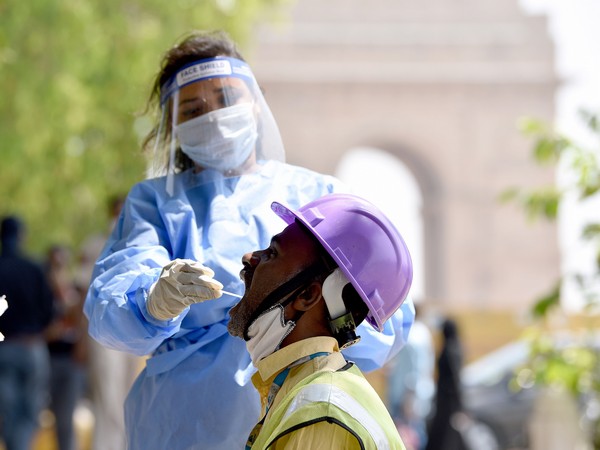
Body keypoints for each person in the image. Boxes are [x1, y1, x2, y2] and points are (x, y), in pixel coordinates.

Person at [84, 30, 415, 450]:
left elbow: (383, 315)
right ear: (174, 124)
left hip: (297, 409)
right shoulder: (155, 203)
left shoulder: (317, 196)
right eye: (193, 108)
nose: (213, 115)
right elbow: (110, 308)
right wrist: (153, 301)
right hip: (184, 426)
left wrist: (316, 320)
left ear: (256, 102)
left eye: (225, 98)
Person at [227, 193, 412, 449]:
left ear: (307, 295)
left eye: (272, 253)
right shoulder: (304, 389)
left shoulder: (320, 413)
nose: (250, 257)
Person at [76, 195, 142, 450]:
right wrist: (82, 339)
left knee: (128, 398)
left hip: (133, 332)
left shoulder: (141, 243)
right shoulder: (94, 245)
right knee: (106, 400)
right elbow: (83, 292)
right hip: (101, 332)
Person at [0, 216, 54, 450]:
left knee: (8, 411)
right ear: (22, 235)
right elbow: (49, 312)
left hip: (3, 349)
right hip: (31, 347)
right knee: (31, 412)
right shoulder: (34, 268)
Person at [44, 244, 88, 450]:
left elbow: (81, 323)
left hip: (70, 362)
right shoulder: (42, 295)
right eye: (54, 264)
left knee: (66, 419)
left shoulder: (76, 291)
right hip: (46, 361)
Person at [386, 304, 435, 450]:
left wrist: (409, 398)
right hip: (416, 393)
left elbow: (414, 370)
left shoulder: (413, 335)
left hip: (407, 396)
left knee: (410, 437)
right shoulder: (423, 332)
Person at [425, 318, 467, 450]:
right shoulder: (456, 348)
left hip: (447, 399)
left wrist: (459, 404)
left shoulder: (450, 350)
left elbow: (454, 378)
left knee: (445, 431)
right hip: (448, 398)